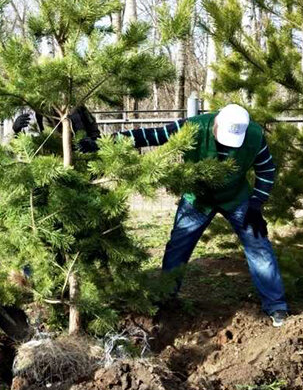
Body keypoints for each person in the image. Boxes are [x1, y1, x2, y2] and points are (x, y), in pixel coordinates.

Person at [87, 104, 289, 326]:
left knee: (259, 246)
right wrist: (104, 144)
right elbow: (151, 135)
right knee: (178, 247)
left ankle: (276, 306)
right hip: (197, 199)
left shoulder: (254, 135)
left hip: (236, 199)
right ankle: (166, 299)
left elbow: (267, 169)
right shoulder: (194, 127)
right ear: (216, 123)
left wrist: (256, 203)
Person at [11, 105, 101, 152]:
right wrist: (15, 131)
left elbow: (95, 134)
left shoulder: (76, 105)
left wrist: (94, 144)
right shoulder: (22, 110)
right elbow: (8, 148)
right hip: (42, 169)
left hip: (79, 162)